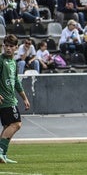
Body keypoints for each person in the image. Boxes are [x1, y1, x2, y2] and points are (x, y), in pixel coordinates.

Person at [0, 34, 30, 163]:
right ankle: (0, 151)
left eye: (11, 46)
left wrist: (25, 98)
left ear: (16, 48)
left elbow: (16, 82)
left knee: (8, 126)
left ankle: (3, 155)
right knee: (16, 124)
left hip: (11, 98)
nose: (8, 48)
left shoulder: (13, 62)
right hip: (5, 99)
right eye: (6, 46)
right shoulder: (1, 61)